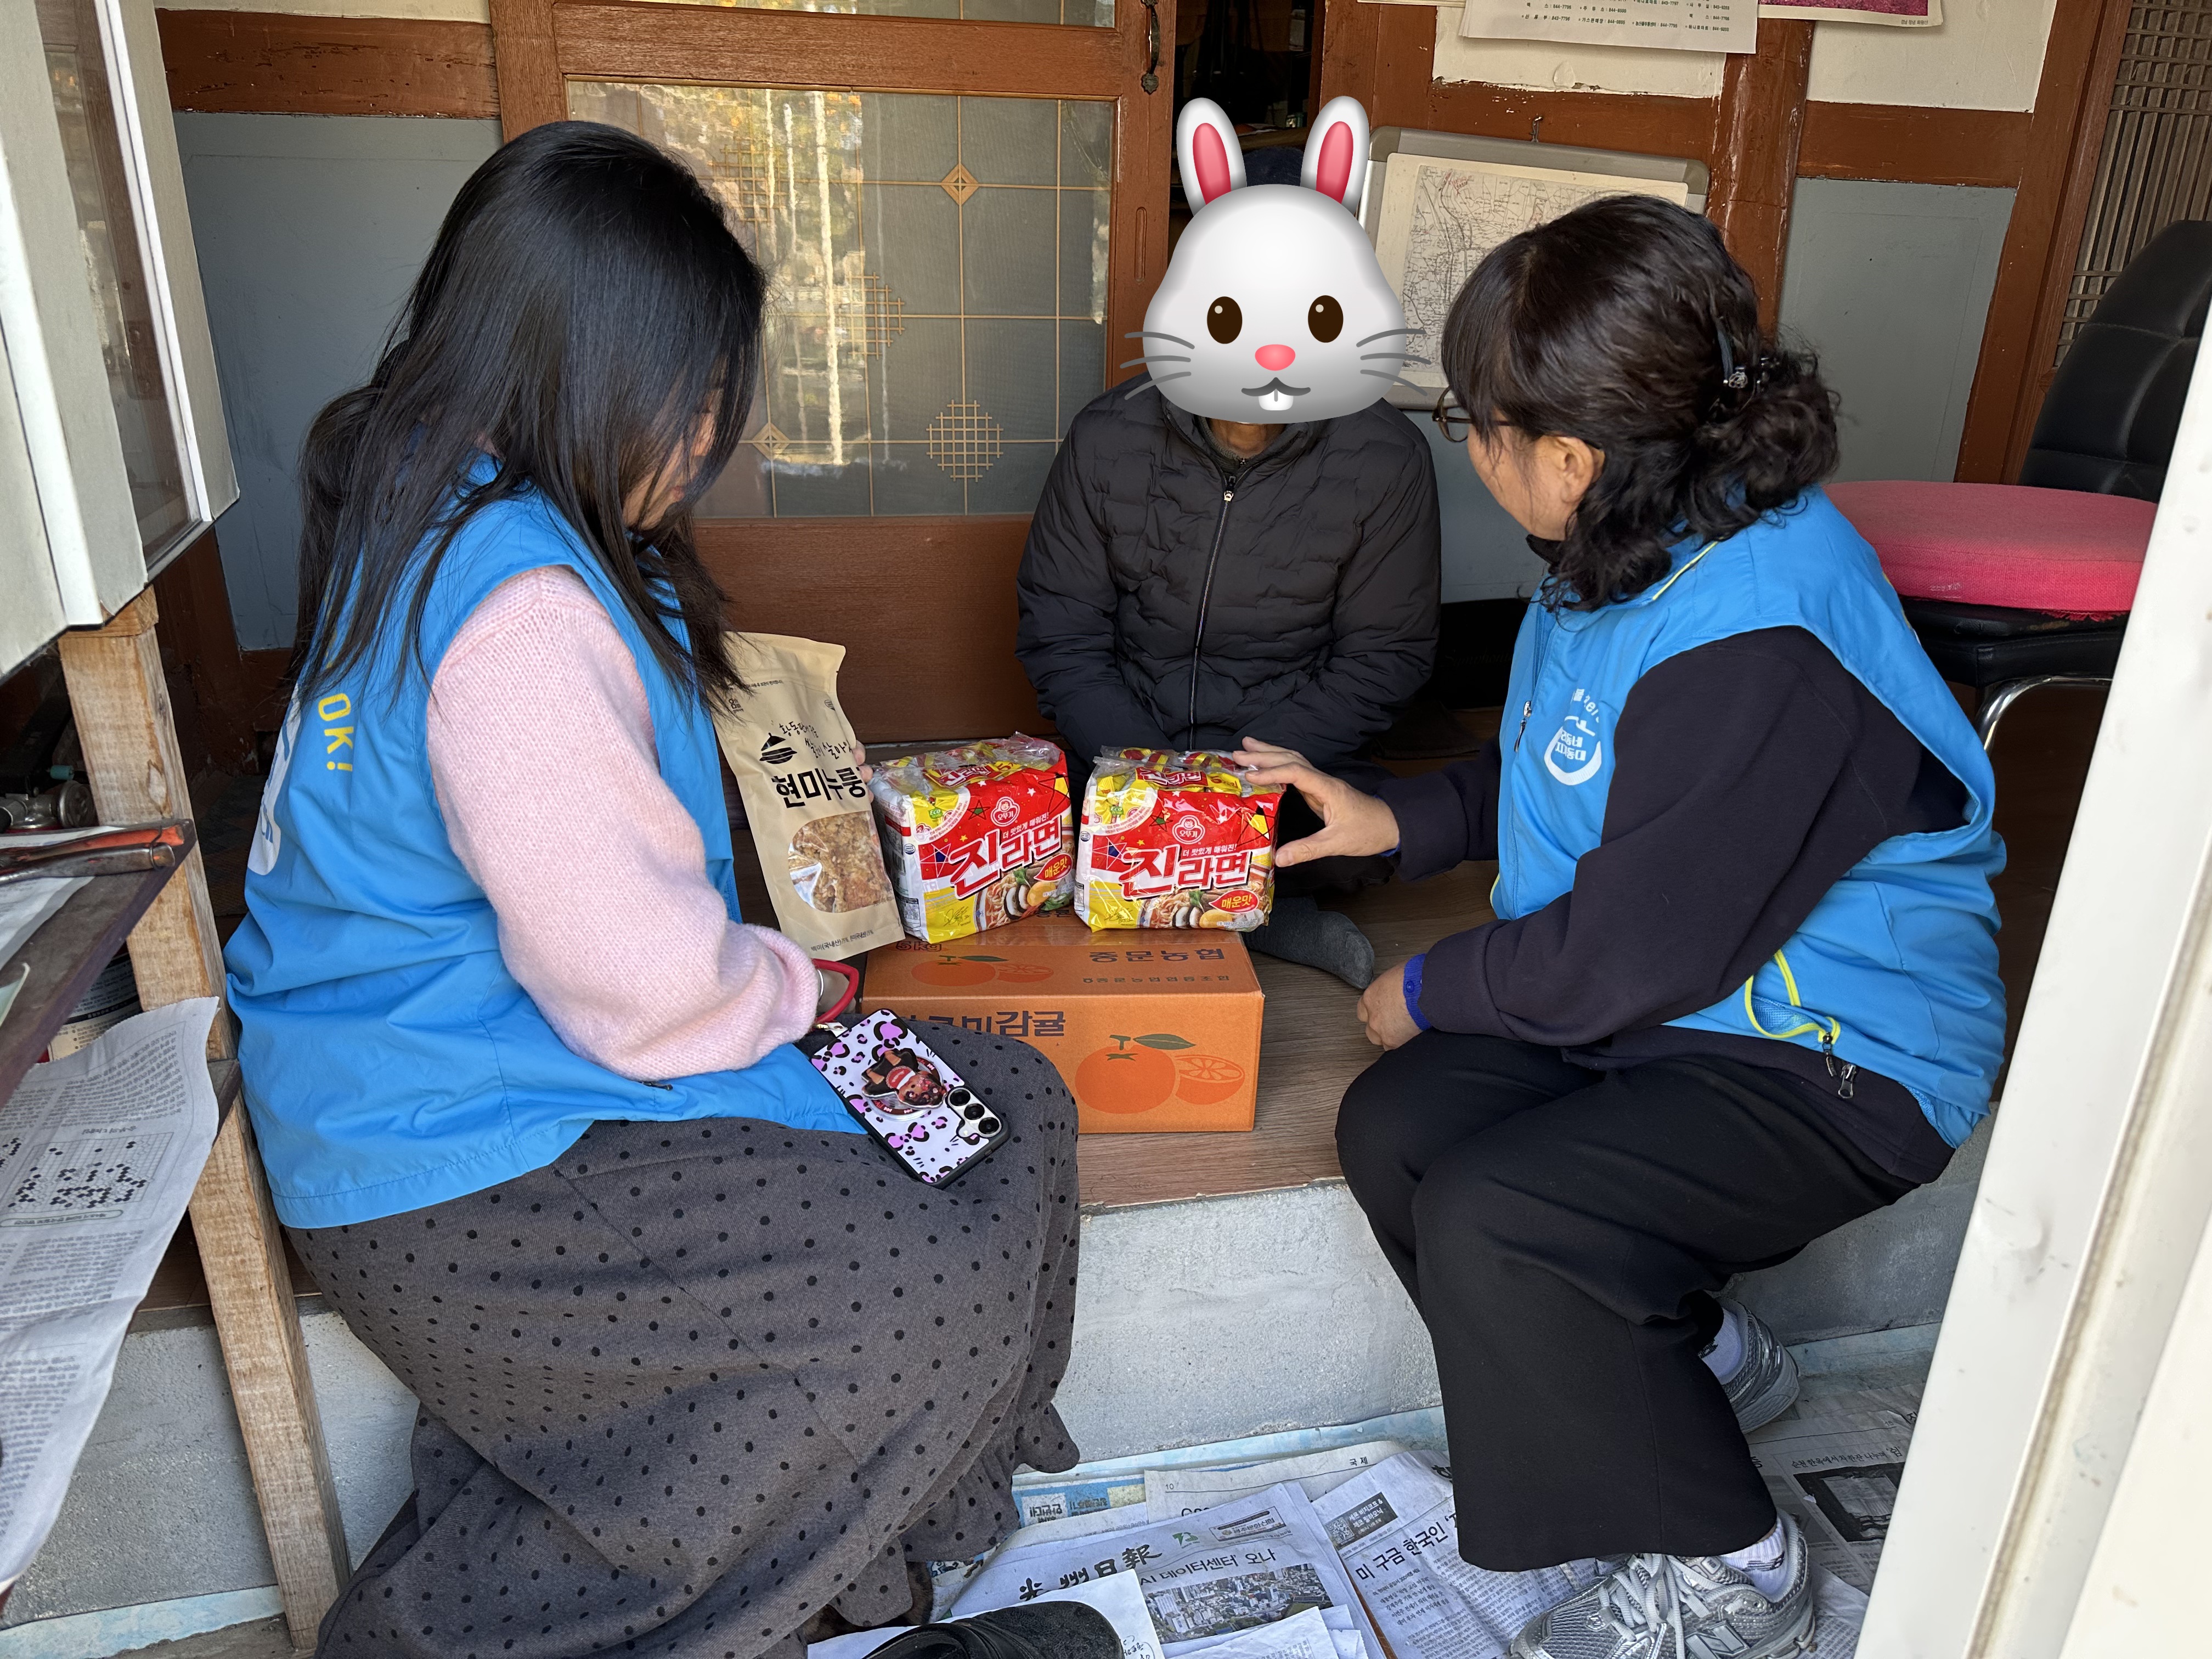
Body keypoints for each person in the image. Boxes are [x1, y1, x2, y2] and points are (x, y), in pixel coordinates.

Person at [225, 123, 1081, 1659]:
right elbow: (647, 990)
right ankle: (558, 1623)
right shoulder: (523, 608)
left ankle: (862, 1563)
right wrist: (799, 991)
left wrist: (770, 984)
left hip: (453, 1093)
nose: (707, 443)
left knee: (999, 1106)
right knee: (923, 1271)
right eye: (694, 402)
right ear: (592, 375)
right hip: (465, 1163)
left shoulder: (424, 502)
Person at [1236, 196, 2005, 1659]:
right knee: (1400, 1132)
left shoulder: (1762, 636)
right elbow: (1572, 767)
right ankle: (1696, 1353)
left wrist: (1430, 984)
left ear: (1573, 457)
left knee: (1506, 1219)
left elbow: (1626, 956)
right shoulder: (1635, 541)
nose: (1471, 451)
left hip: (1838, 1049)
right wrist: (1396, 821)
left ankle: (1743, 1571)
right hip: (1685, 997)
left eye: (1479, 424)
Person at [1014, 373, 1440, 991]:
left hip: (1275, 762)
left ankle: (1209, 898)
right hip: (1127, 749)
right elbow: (1062, 632)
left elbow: (1385, 655)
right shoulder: (1107, 430)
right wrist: (1154, 778)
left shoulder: (1387, 450)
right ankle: (1242, 903)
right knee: (1023, 820)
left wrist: (1231, 786)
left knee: (1366, 830)